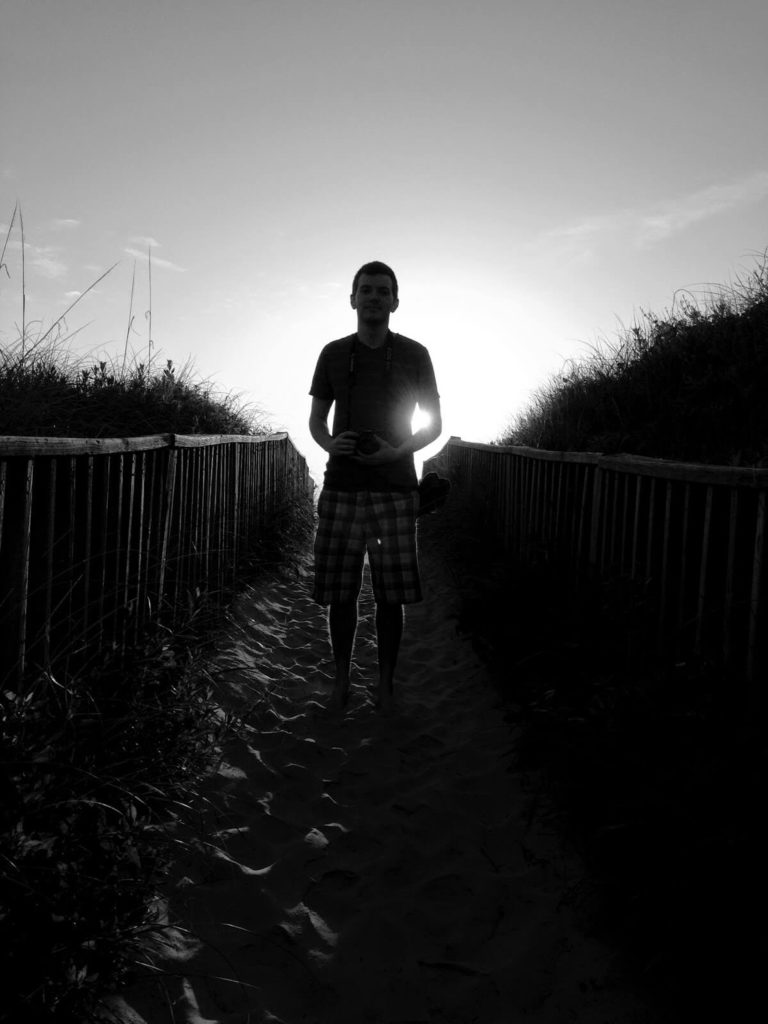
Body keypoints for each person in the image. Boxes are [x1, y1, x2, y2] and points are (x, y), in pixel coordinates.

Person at [308, 261, 442, 711]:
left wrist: (395, 452)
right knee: (340, 595)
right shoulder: (331, 353)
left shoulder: (416, 354)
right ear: (352, 299)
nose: (374, 297)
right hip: (342, 487)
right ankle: (342, 680)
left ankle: (384, 684)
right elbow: (315, 421)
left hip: (395, 488)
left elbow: (436, 425)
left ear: (395, 302)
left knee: (391, 596)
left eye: (383, 292)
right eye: (366, 290)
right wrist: (331, 443)